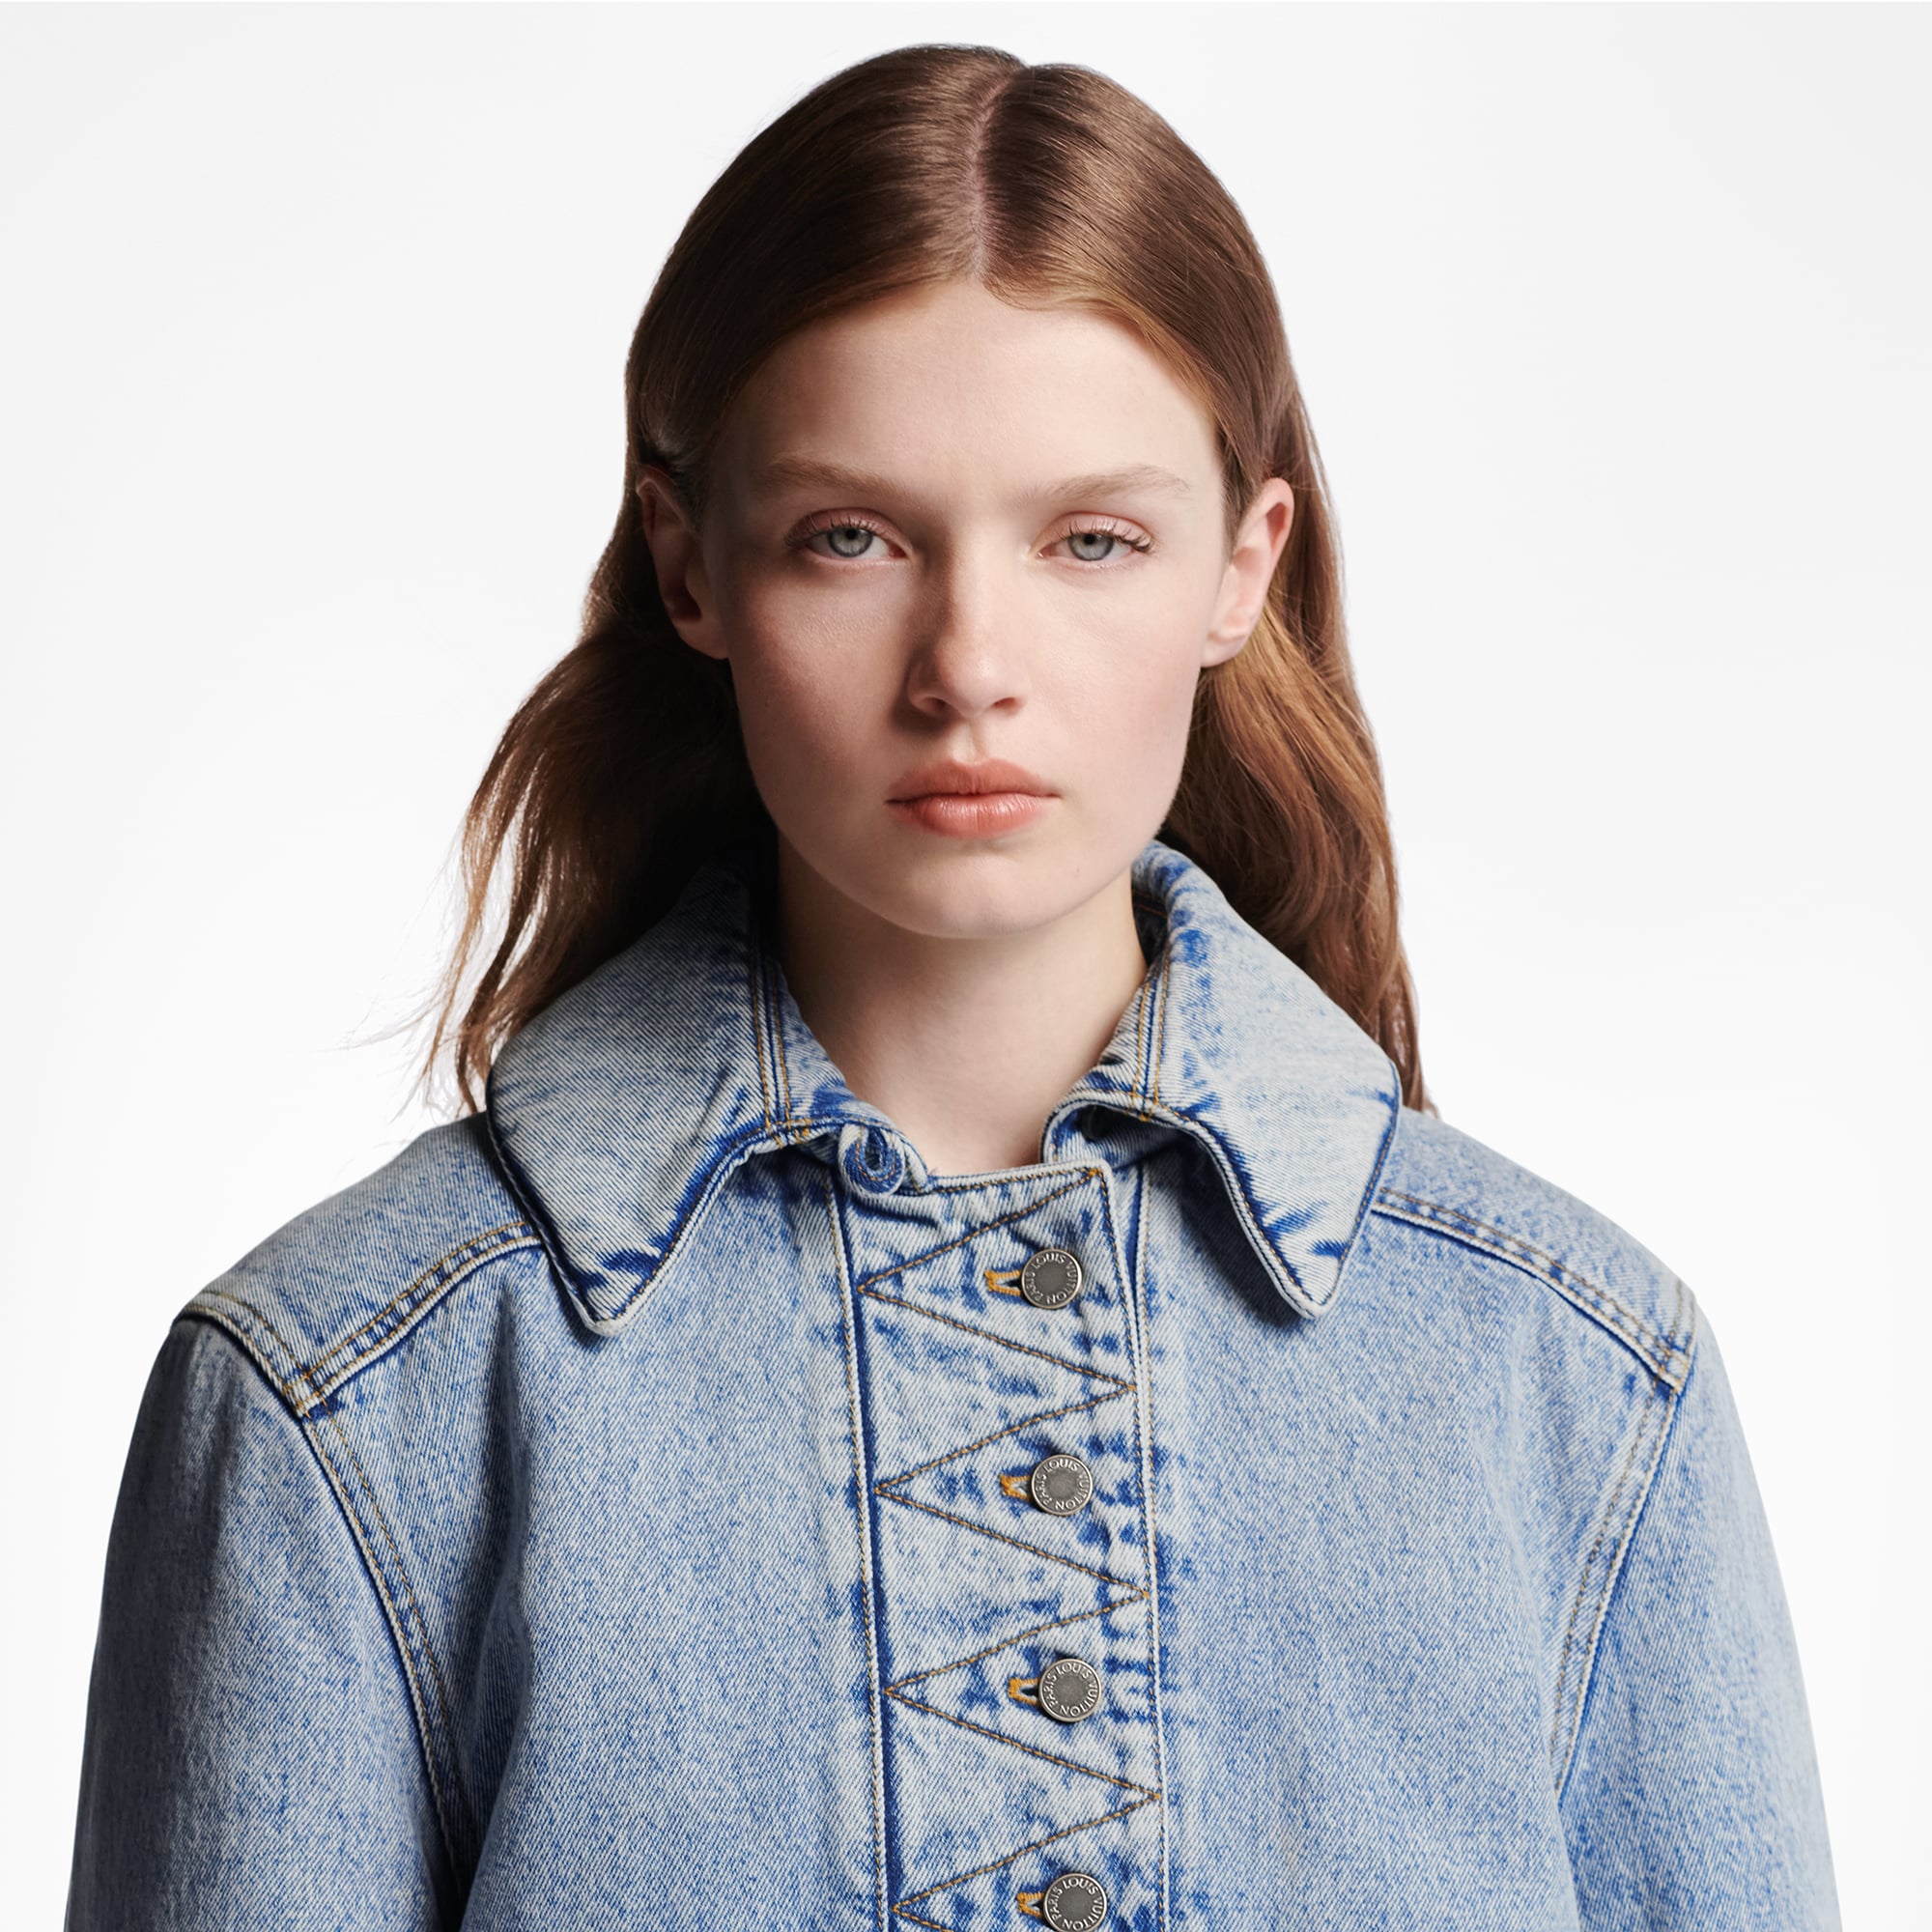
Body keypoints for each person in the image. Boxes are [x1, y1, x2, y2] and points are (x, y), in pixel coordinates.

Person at [65, 42, 1838, 1932]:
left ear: (1240, 567)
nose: (968, 662)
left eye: (1092, 540)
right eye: (853, 536)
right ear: (690, 563)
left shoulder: (1578, 1383)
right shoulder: (345, 1398)